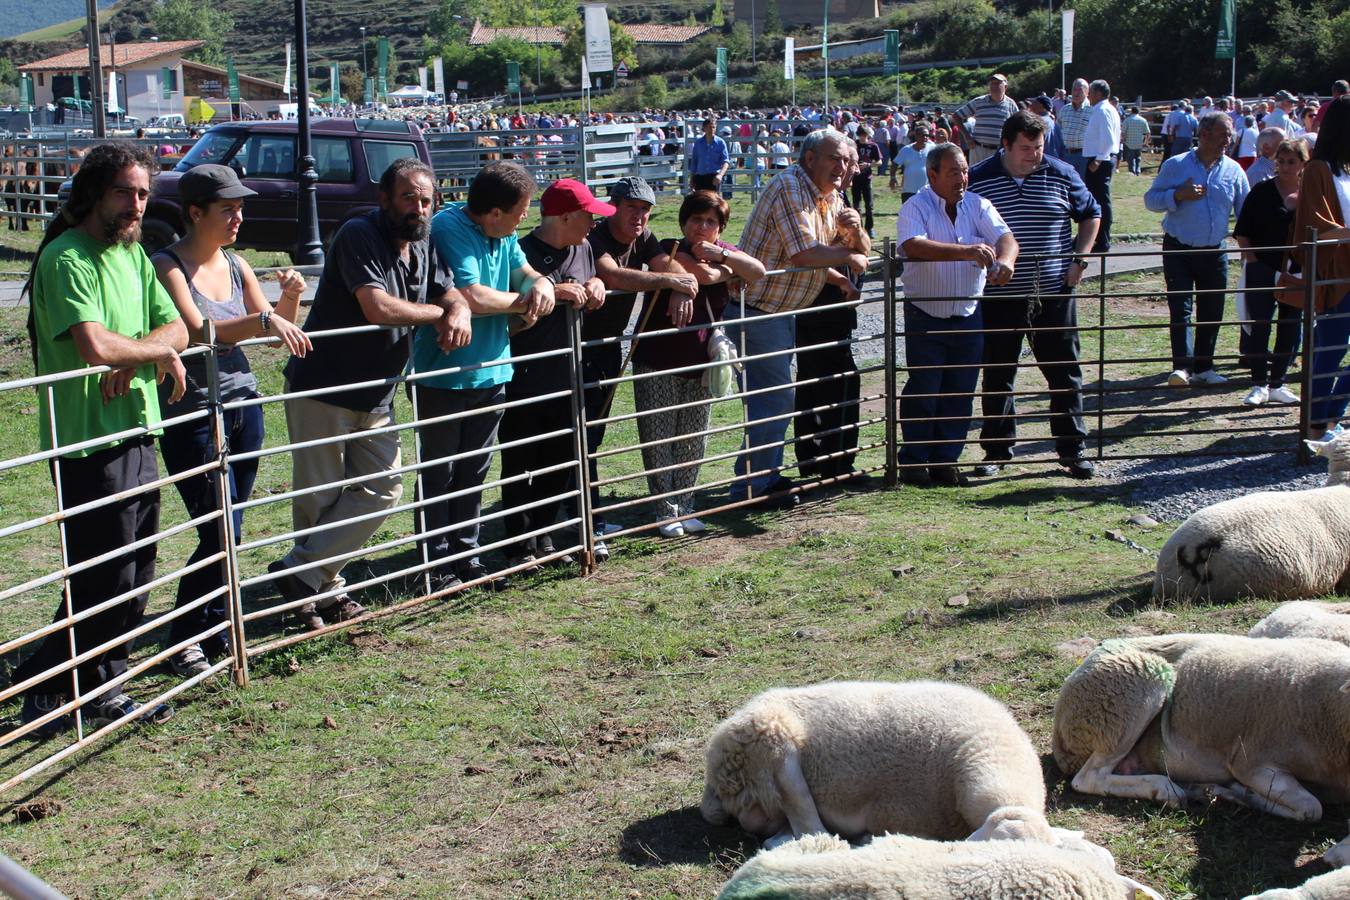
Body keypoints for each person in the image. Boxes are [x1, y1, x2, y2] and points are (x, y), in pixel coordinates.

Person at [17, 142, 188, 736]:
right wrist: (149, 351)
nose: (136, 203)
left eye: (143, 193)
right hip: (87, 439)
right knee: (103, 573)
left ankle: (79, 682)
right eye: (125, 191)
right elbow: (94, 345)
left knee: (137, 565)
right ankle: (70, 690)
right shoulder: (68, 258)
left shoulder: (134, 255)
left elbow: (179, 327)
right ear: (93, 192)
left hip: (138, 426)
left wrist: (140, 351)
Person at [273, 157, 469, 627]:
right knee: (319, 498)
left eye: (426, 200)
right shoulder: (359, 234)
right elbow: (377, 306)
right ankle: (321, 594)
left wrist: (458, 309)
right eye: (408, 198)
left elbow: (451, 291)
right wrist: (440, 315)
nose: (419, 209)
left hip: (378, 392)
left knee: (384, 489)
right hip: (324, 387)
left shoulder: (422, 246)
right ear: (384, 199)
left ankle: (300, 574)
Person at [151, 165, 312, 677]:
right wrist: (266, 318)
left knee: (232, 526)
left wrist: (289, 297)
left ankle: (215, 626)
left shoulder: (237, 262)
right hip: (192, 412)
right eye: (228, 209)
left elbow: (266, 330)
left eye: (241, 207)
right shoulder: (167, 265)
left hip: (243, 406)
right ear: (195, 212)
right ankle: (184, 636)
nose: (238, 217)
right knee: (219, 525)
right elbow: (199, 332)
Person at [413, 161, 555, 590]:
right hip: (444, 372)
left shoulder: (503, 232)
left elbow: (523, 270)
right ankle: (434, 564)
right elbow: (472, 295)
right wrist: (524, 302)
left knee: (475, 468)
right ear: (494, 212)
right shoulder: (449, 228)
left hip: (492, 370)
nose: (524, 219)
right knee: (440, 472)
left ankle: (466, 555)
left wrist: (542, 283)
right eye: (519, 211)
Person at [730, 129, 869, 504]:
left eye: (845, 159)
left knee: (773, 398)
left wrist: (839, 275)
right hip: (756, 308)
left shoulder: (827, 196)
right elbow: (803, 253)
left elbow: (832, 250)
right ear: (810, 160)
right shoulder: (790, 188)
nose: (842, 167)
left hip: (779, 311)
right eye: (833, 158)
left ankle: (757, 478)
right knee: (774, 399)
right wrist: (846, 258)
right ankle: (755, 484)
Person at [968, 111, 1101, 480]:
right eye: (1025, 148)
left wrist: (1080, 258)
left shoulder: (1061, 172)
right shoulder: (979, 179)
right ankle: (996, 450)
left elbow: (1091, 213)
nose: (1034, 155)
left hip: (1054, 292)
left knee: (1064, 372)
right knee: (997, 374)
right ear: (1005, 145)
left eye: (1039, 147)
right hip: (999, 294)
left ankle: (1073, 448)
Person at [631, 191, 765, 535]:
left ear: (720, 227)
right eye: (696, 220)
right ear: (684, 222)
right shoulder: (670, 248)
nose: (702, 227)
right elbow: (698, 277)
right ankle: (664, 511)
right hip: (659, 358)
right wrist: (727, 270)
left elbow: (758, 271)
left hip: (702, 360)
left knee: (694, 436)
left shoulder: (724, 250)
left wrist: (723, 257)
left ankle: (686, 506)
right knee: (659, 436)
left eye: (711, 222)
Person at [498, 179, 611, 570]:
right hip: (525, 375)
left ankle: (544, 535)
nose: (594, 223)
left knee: (563, 457)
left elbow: (594, 274)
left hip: (570, 375)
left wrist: (596, 283)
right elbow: (508, 313)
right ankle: (517, 544)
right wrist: (552, 293)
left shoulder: (582, 247)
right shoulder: (520, 252)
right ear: (564, 217)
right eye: (588, 216)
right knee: (519, 461)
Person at [585, 177, 698, 552]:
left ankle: (590, 515)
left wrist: (677, 284)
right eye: (632, 207)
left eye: (646, 210)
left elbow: (666, 264)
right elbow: (613, 275)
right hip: (578, 344)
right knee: (583, 435)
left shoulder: (643, 236)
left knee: (595, 433)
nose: (640, 216)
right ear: (613, 204)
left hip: (608, 347)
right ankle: (589, 520)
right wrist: (670, 280)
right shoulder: (595, 236)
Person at [896, 143, 1017, 487]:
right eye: (953, 172)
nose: (962, 178)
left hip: (968, 311)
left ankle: (946, 459)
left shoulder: (978, 205)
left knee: (960, 388)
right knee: (925, 386)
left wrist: (1006, 261)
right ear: (932, 174)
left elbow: (1006, 236)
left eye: (964, 171)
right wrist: (966, 251)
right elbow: (913, 246)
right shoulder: (915, 206)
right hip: (926, 312)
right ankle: (915, 460)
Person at [1145, 111, 1249, 387]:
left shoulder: (1234, 170)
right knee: (1181, 308)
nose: (1229, 140)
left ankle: (1204, 366)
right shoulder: (1176, 165)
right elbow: (1151, 200)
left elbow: (1245, 211)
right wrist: (1177, 195)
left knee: (1212, 309)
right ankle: (1182, 367)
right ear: (1204, 135)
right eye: (1224, 134)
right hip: (1178, 248)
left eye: (1230, 135)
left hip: (1215, 250)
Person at [794, 141, 872, 481]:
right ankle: (819, 460)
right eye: (842, 161)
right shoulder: (810, 200)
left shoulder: (840, 202)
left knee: (840, 381)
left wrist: (855, 230)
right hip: (815, 304)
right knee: (817, 381)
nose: (849, 169)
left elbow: (864, 251)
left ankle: (836, 459)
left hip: (839, 309)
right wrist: (845, 264)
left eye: (852, 163)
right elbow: (810, 253)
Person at [1291, 97, 1350, 440]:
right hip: (1336, 274)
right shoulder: (1317, 170)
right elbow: (1314, 224)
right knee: (1331, 348)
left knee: (1335, 349)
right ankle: (1314, 426)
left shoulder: (1346, 170)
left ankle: (1332, 415)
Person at [1233, 138, 1307, 407]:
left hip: (1296, 270)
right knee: (1259, 325)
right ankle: (1258, 384)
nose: (1285, 166)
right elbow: (1242, 230)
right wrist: (1252, 261)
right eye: (1282, 161)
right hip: (1262, 267)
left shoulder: (1310, 194)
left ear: (1302, 164)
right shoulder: (1262, 191)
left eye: (1292, 161)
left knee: (1290, 327)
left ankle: (1278, 383)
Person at [1081, 79, 1121, 253]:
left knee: (1101, 201)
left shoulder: (1103, 110)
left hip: (1100, 160)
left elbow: (1109, 139)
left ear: (1097, 93)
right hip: (1101, 158)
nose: (1088, 95)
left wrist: (1098, 159)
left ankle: (1102, 239)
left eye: (1090, 92)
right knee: (1099, 199)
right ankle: (1098, 237)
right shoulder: (1105, 109)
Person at [956, 74, 1019, 166]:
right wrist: (967, 137)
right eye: (992, 83)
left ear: (1005, 86)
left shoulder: (1011, 104)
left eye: (997, 83)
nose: (994, 86)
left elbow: (1018, 126)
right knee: (976, 177)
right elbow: (957, 116)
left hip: (999, 150)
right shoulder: (978, 102)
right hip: (978, 149)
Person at [1056, 79, 1092, 177]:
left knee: (1082, 187)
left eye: (1079, 90)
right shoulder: (1065, 109)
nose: (1076, 92)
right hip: (1066, 155)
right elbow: (1057, 131)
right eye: (1074, 89)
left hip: (1084, 156)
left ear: (1087, 92)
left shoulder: (1092, 110)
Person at [852, 125, 882, 235]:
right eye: (860, 135)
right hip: (855, 178)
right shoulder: (854, 145)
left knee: (869, 205)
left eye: (864, 135)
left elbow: (879, 162)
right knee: (856, 204)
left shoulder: (873, 146)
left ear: (868, 135)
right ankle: (858, 227)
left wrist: (868, 164)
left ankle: (869, 228)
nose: (862, 137)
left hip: (867, 178)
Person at [689, 116, 730, 193]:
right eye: (709, 127)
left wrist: (720, 175)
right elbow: (694, 162)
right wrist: (692, 179)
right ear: (704, 128)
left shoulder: (720, 143)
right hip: (700, 178)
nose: (711, 129)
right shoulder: (698, 143)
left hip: (714, 178)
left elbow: (726, 162)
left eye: (713, 127)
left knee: (714, 203)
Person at [894, 123, 933, 201]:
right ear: (916, 136)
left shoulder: (933, 149)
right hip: (908, 190)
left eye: (927, 135)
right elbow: (895, 164)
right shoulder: (906, 149)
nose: (925, 138)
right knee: (908, 212)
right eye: (923, 135)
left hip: (927, 190)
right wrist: (892, 178)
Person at [1121, 105, 1151, 176]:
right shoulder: (1143, 120)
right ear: (1139, 112)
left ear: (1131, 111)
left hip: (1129, 143)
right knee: (1138, 157)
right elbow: (1148, 133)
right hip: (1139, 143)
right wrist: (1145, 142)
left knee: (1130, 159)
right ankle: (1138, 170)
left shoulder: (1127, 120)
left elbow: (1123, 132)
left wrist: (1123, 139)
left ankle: (1132, 171)